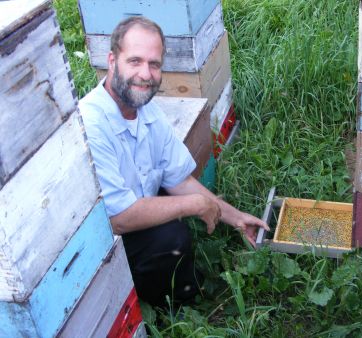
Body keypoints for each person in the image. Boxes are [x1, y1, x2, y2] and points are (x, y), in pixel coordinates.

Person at [79, 16, 269, 307]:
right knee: (171, 238)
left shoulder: (148, 112)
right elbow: (118, 219)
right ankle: (172, 310)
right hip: (102, 245)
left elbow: (178, 179)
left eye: (154, 64)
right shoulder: (91, 124)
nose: (145, 74)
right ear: (112, 60)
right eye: (135, 61)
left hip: (135, 207)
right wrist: (194, 205)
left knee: (173, 206)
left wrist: (234, 217)